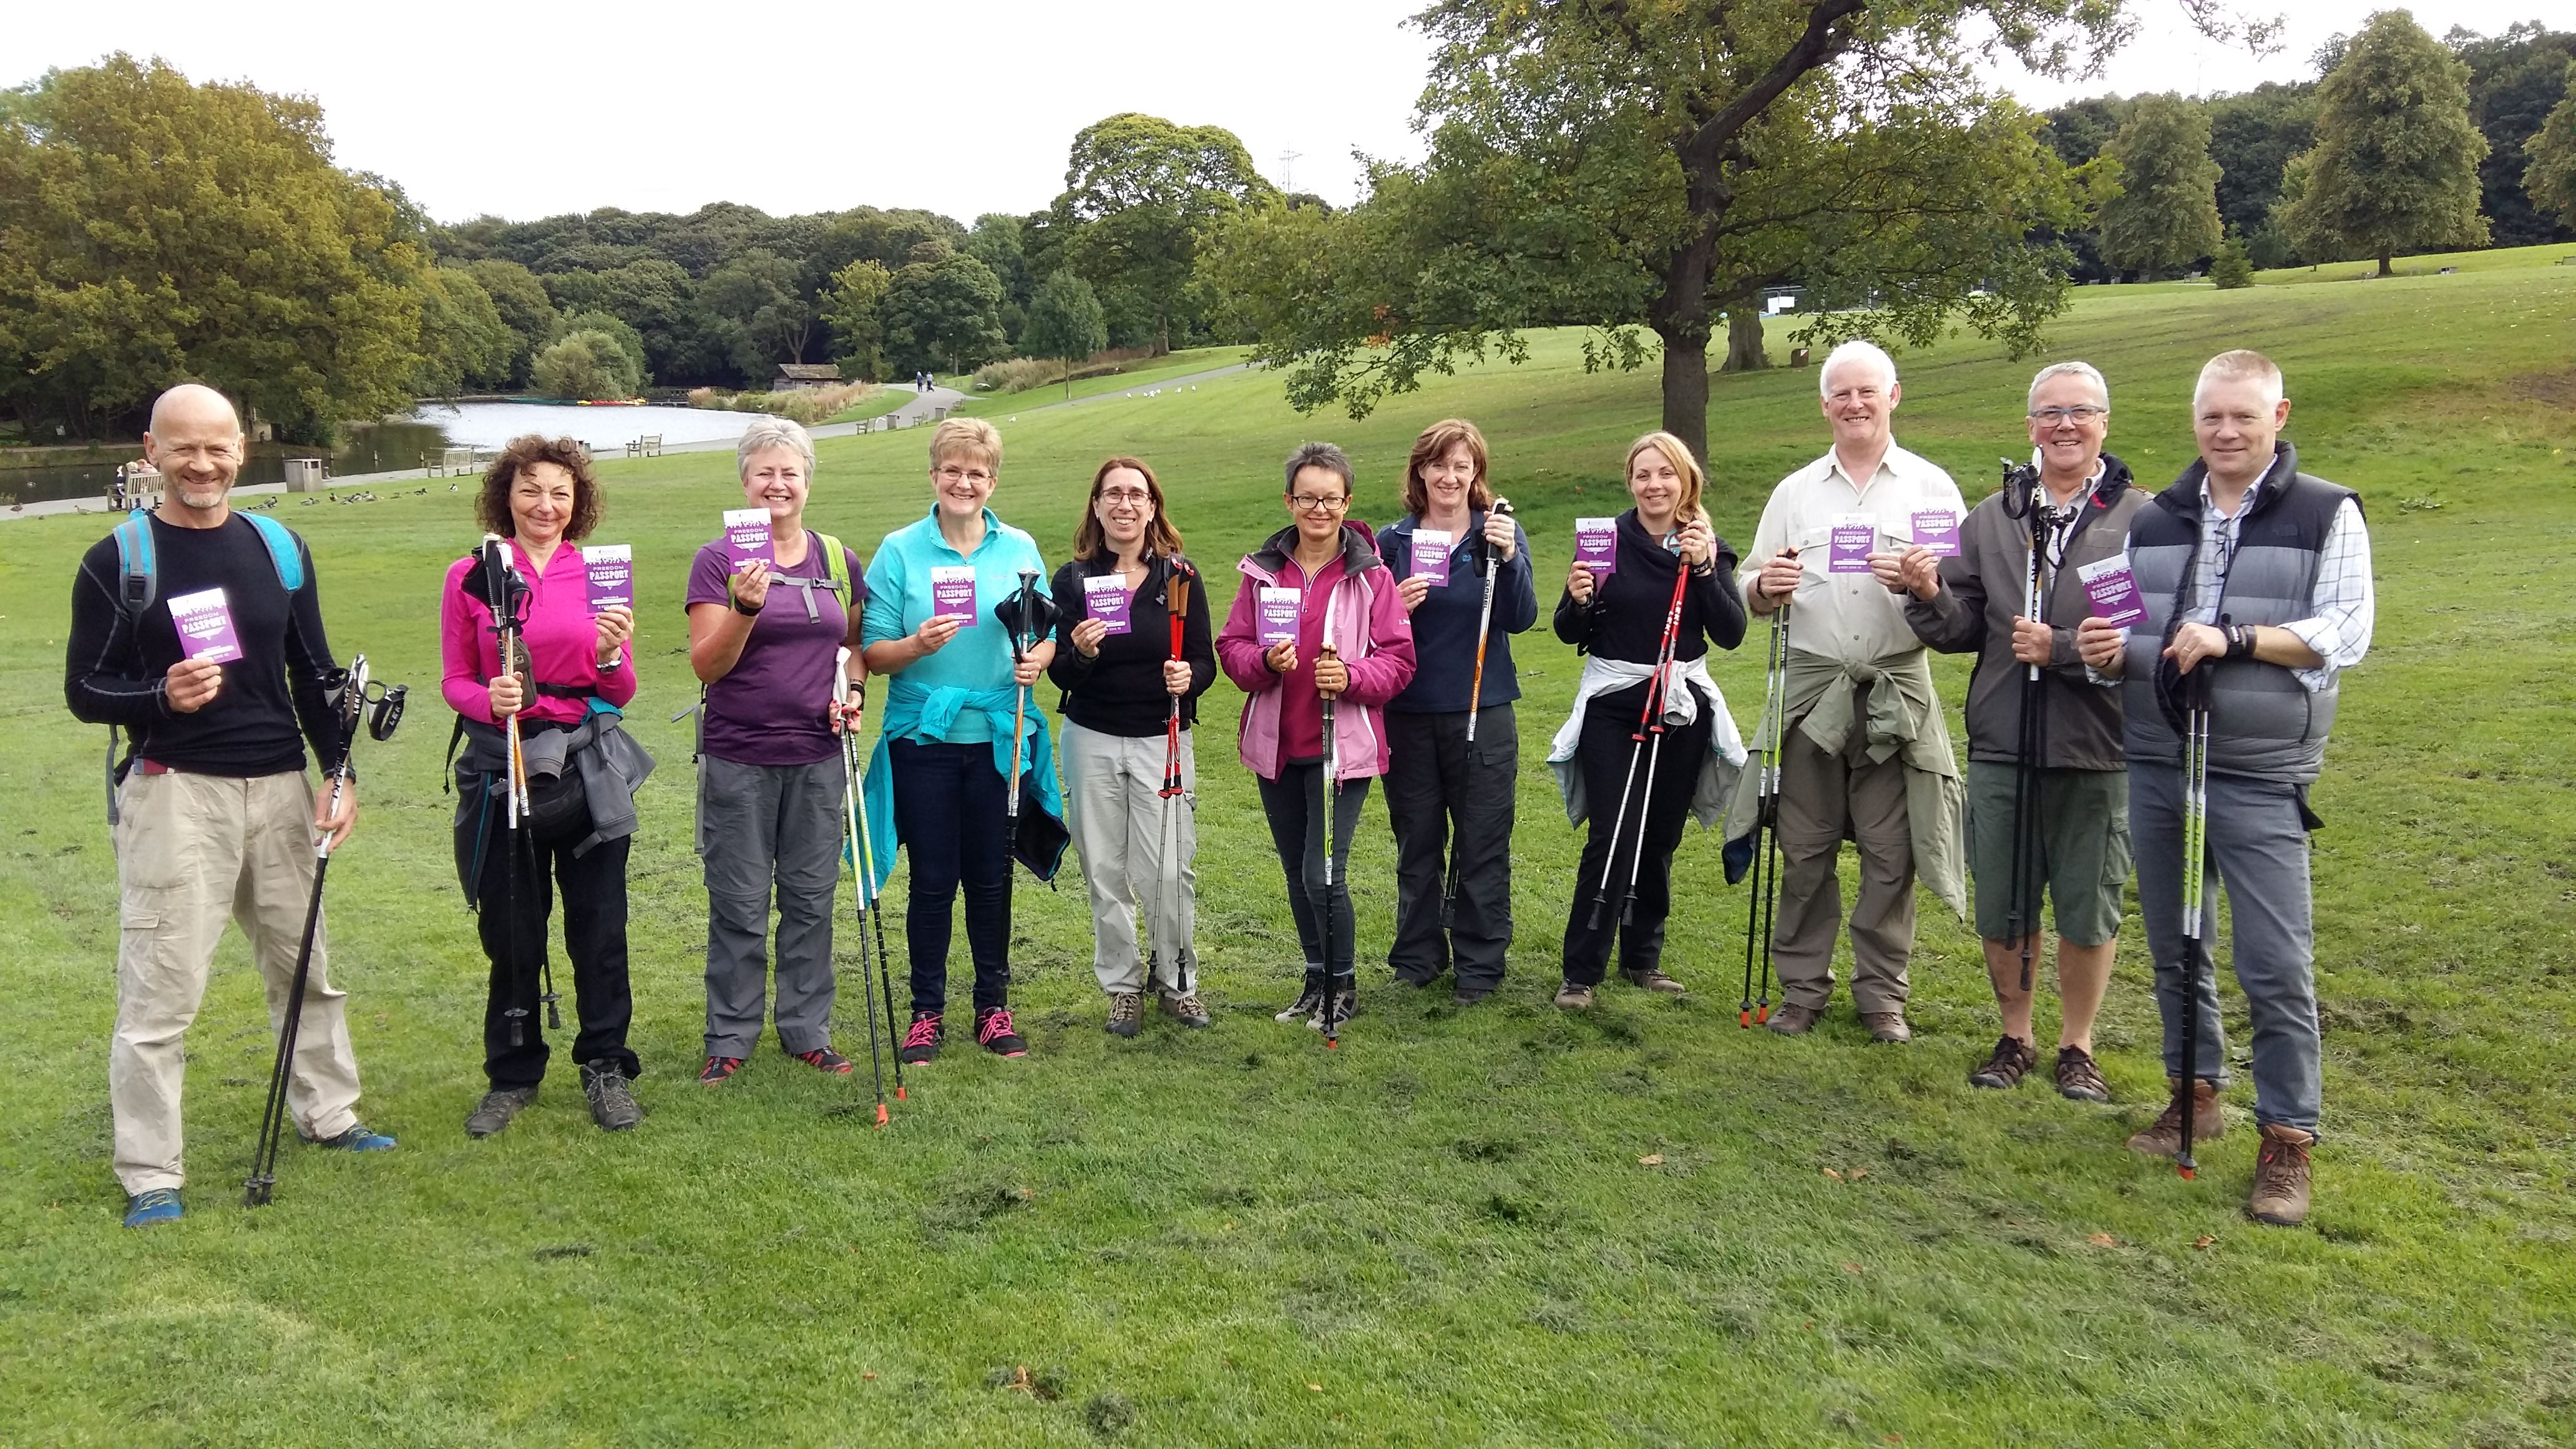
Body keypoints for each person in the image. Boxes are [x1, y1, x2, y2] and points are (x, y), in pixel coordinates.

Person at [66, 383, 393, 1229]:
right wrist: (161, 695)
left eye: (217, 447)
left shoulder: (278, 546)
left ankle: (330, 1114)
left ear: (241, 448)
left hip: (282, 786)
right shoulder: (120, 558)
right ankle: (151, 1174)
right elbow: (83, 688)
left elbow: (314, 672)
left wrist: (339, 771)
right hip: (176, 792)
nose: (202, 464)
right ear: (151, 452)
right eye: (183, 448)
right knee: (161, 996)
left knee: (306, 968)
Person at [2077, 349, 2373, 1228]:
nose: (2227, 432)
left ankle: (2288, 1139)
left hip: (2259, 768)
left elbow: (2345, 631)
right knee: (2177, 943)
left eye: (2245, 416)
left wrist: (2235, 638)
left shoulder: (2327, 510)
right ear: (2195, 420)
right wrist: (2102, 655)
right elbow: (2130, 631)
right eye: (2213, 417)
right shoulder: (2157, 518)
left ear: (2279, 416)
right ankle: (2193, 1096)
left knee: (2274, 964)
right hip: (2163, 759)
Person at [1893, 363, 2145, 1100]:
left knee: (2087, 902)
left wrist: (2063, 650)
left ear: (2105, 423)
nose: (2064, 426)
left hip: (2095, 745)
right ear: (2029, 427)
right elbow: (1965, 628)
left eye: (2080, 412)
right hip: (2005, 739)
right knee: (2005, 899)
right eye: (2049, 414)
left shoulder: (2142, 518)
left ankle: (2078, 1044)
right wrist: (1931, 593)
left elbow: (2144, 638)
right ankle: (2016, 1035)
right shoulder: (1994, 518)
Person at [1735, 339, 1968, 1043]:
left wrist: (1927, 586)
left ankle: (1881, 997)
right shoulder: (1795, 492)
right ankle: (1802, 990)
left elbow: (1965, 604)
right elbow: (1750, 583)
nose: (1855, 404)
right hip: (1811, 695)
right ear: (1825, 405)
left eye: (1868, 392)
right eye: (1842, 394)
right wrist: (1763, 588)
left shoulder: (1932, 488)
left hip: (1898, 691)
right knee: (1803, 849)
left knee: (1890, 852)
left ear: (1893, 396)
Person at [443, 436, 656, 1137]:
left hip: (586, 767)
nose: (546, 504)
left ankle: (605, 1066)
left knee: (600, 927)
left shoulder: (596, 574)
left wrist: (609, 652)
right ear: (506, 494)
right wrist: (489, 700)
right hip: (501, 767)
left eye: (560, 492)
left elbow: (618, 688)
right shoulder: (471, 576)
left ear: (578, 502)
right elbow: (455, 680)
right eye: (531, 489)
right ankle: (512, 1074)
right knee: (512, 931)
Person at [861, 417, 1061, 1062]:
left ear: (992, 481)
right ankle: (927, 1011)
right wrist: (915, 645)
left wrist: (1041, 659)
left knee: (990, 877)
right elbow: (874, 650)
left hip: (997, 739)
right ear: (933, 475)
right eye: (953, 469)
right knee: (933, 880)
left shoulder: (1020, 547)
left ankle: (993, 1008)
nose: (964, 481)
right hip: (924, 737)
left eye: (977, 472)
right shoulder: (900, 549)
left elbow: (1044, 629)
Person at [685, 417, 869, 1084]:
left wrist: (852, 695)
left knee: (812, 898)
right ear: (743, 481)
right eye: (764, 472)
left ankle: (806, 1031)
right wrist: (744, 607)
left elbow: (851, 651)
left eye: (790, 472)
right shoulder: (718, 560)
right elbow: (708, 666)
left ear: (808, 482)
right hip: (738, 757)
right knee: (737, 901)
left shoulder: (837, 558)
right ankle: (730, 1037)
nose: (777, 484)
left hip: (819, 757)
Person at [1216, 442, 1416, 1032]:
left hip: (1340, 747)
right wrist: (1264, 662)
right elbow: (1232, 647)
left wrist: (1350, 676)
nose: (1319, 509)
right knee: (1294, 872)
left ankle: (1343, 985)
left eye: (1331, 498)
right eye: (1308, 498)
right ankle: (1314, 979)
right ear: (1290, 501)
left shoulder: (1372, 576)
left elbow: (1399, 662)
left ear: (1347, 502)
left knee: (1322, 874)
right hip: (1277, 746)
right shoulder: (1263, 573)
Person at [1549, 431, 1748, 1008]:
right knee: (1613, 835)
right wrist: (1579, 599)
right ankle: (1580, 971)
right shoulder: (1605, 540)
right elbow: (1570, 633)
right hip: (1615, 703)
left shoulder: (1706, 545)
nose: (1654, 485)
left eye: (1665, 474)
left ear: (1686, 480)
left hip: (1681, 703)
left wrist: (1707, 570)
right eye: (1643, 475)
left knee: (1660, 835)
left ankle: (1643, 958)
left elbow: (1731, 634)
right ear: (1630, 482)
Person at [1048, 457, 1216, 1036]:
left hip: (1162, 740)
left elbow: (1205, 662)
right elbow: (1063, 675)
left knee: (1169, 870)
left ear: (1152, 507)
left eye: (1136, 495)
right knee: (1104, 870)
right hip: (1092, 738)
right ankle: (1122, 986)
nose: (1124, 504)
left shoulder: (1180, 576)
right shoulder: (1073, 581)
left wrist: (1187, 679)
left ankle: (1178, 982)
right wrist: (1083, 653)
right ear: (1096, 506)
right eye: (1112, 494)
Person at [1375, 420, 1537, 1005]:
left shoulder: (1497, 535)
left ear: (1476, 475)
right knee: (1417, 840)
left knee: (1482, 841)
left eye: (1461, 466)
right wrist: (1394, 604)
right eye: (1439, 465)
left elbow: (1521, 617)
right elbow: (1369, 631)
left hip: (1484, 709)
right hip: (1410, 713)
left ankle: (1480, 964)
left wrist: (1511, 555)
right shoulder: (1393, 543)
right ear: (1420, 471)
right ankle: (1417, 957)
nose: (1449, 477)